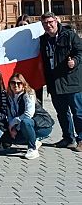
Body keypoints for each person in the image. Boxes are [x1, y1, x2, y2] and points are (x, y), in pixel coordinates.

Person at [39, 11, 82, 151]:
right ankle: (68, 138)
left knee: (78, 112)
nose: (48, 25)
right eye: (45, 23)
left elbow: (80, 51)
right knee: (62, 113)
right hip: (54, 82)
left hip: (71, 80)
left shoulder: (69, 35)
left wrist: (75, 61)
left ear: (56, 21)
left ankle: (81, 139)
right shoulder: (43, 40)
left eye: (50, 22)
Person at [5, 73, 54, 159]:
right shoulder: (9, 96)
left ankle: (32, 149)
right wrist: (11, 128)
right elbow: (10, 115)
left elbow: (28, 115)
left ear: (23, 84)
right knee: (12, 139)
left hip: (42, 126)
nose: (16, 85)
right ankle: (34, 140)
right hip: (23, 126)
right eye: (13, 83)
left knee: (26, 121)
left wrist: (15, 127)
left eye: (19, 83)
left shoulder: (28, 94)